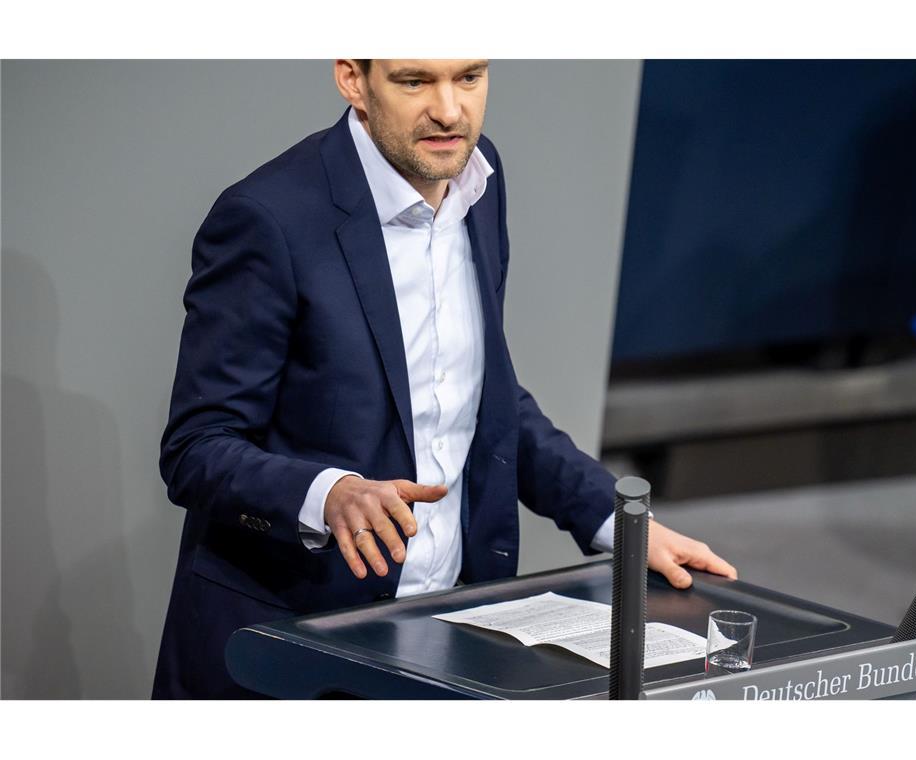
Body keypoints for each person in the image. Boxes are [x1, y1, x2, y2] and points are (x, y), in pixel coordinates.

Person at [153, 59, 736, 699]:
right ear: (354, 79)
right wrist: (330, 494)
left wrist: (615, 524)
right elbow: (198, 447)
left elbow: (486, 398)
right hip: (290, 646)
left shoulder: (479, 179)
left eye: (469, 77)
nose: (449, 111)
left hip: (448, 634)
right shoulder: (267, 218)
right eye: (414, 81)